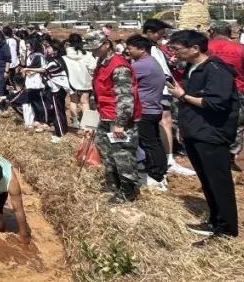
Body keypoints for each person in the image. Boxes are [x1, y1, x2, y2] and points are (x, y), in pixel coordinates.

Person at [166, 30, 240, 246]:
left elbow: (216, 103)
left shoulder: (216, 70)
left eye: (178, 49)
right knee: (206, 180)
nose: (175, 53)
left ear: (195, 48)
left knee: (219, 182)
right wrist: (183, 127)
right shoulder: (193, 68)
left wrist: (183, 96)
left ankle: (226, 230)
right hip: (195, 131)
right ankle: (214, 221)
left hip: (212, 133)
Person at [86, 31, 142, 204]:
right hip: (105, 115)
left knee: (122, 153)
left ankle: (128, 190)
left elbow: (126, 97)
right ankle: (113, 182)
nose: (92, 52)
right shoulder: (101, 62)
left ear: (106, 44)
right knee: (106, 149)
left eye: (95, 48)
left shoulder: (119, 66)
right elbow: (98, 89)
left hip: (118, 118)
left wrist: (120, 124)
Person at [143, 19, 195, 177]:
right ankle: (168, 160)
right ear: (150, 32)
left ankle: (166, 157)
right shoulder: (147, 48)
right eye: (160, 32)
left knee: (164, 122)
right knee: (165, 122)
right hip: (160, 90)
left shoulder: (154, 47)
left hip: (161, 88)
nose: (163, 34)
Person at [208, 23, 244, 166]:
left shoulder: (204, 46)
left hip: (210, 91)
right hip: (238, 91)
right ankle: (231, 155)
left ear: (212, 32)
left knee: (211, 121)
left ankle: (214, 152)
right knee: (237, 124)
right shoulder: (243, 49)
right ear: (230, 33)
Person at [125, 35, 168, 190]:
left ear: (142, 49)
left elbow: (123, 79)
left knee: (149, 143)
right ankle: (160, 172)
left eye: (130, 48)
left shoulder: (141, 66)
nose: (128, 51)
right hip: (153, 107)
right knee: (154, 141)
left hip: (145, 109)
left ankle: (156, 175)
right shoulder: (151, 62)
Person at [63, 33, 95, 127]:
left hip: (72, 81)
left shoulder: (66, 55)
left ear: (69, 42)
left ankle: (75, 121)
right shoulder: (87, 54)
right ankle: (86, 124)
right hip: (85, 80)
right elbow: (93, 66)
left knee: (73, 101)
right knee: (85, 102)